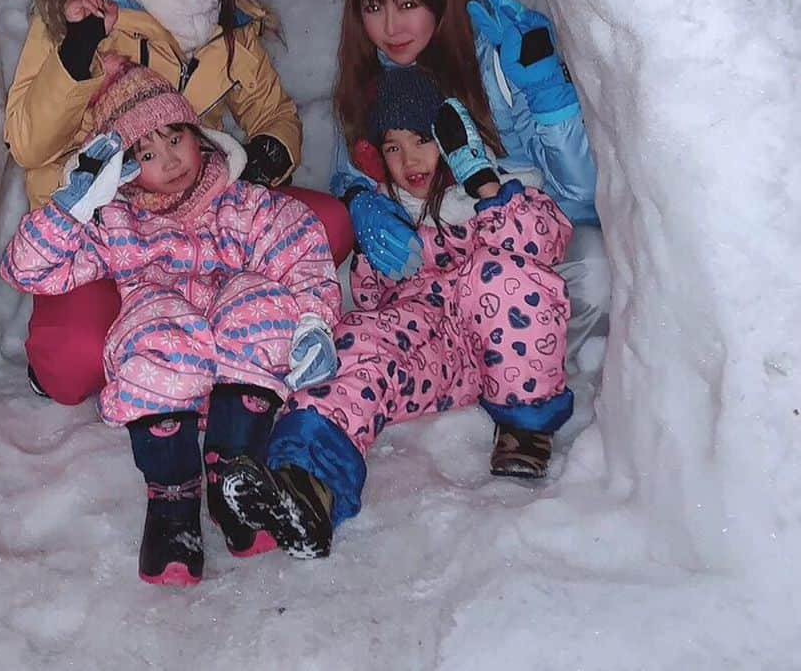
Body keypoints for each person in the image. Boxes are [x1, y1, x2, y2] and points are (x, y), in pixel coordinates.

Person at [4, 0, 353, 404]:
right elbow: (27, 144)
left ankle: (211, 335)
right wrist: (79, 51)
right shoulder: (86, 7)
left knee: (329, 223)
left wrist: (268, 153)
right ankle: (146, 330)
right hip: (102, 233)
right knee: (70, 372)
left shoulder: (226, 27)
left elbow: (274, 112)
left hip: (196, 227)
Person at [0, 58, 342, 585]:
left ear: (197, 134)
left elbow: (299, 248)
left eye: (175, 138)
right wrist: (70, 210)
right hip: (166, 382)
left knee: (262, 298)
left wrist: (313, 322)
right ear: (127, 171)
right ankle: (173, 504)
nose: (171, 159)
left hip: (239, 377)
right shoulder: (116, 222)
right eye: (148, 153)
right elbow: (28, 269)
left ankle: (234, 477)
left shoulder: (240, 200)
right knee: (155, 322)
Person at [217, 64, 573, 558]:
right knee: (358, 341)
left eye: (422, 139)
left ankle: (525, 429)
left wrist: (484, 186)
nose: (409, 159)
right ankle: (306, 486)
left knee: (499, 275)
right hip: (432, 350)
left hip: (497, 343)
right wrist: (375, 254)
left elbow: (542, 243)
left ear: (453, 139)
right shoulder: (387, 208)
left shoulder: (502, 191)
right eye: (392, 146)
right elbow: (371, 302)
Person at [330, 0, 609, 385]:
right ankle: (449, 369)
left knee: (595, 268)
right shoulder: (367, 86)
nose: (391, 28)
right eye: (374, 8)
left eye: (407, 4)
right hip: (433, 268)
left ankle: (522, 372)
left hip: (515, 258)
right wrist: (360, 200)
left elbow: (577, 198)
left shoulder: (497, 63)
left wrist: (547, 96)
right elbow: (347, 173)